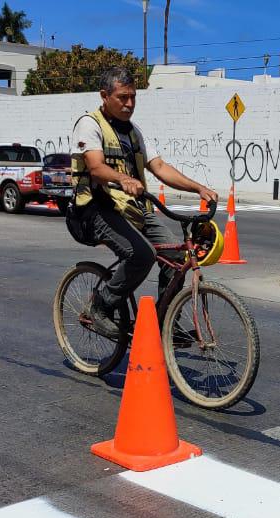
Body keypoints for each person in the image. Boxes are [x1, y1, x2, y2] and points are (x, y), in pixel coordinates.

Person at [71, 66, 218, 339]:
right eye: (123, 98)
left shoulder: (134, 133)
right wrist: (122, 178)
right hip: (97, 208)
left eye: (133, 98)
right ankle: (100, 306)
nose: (129, 104)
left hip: (135, 209)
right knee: (142, 255)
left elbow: (159, 167)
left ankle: (165, 322)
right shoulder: (90, 124)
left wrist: (198, 187)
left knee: (176, 256)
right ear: (104, 96)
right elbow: (95, 168)